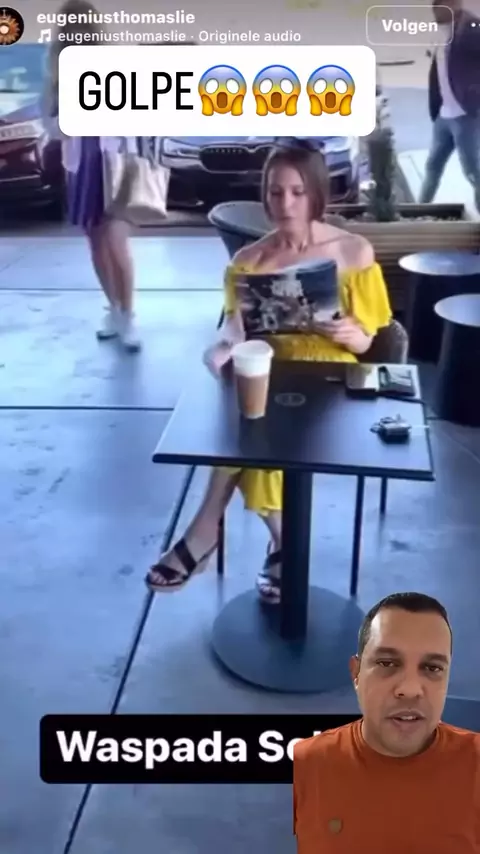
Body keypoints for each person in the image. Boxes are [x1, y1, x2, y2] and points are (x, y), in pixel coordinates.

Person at [145, 140, 393, 602]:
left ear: (317, 193)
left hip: (329, 373)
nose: (285, 204)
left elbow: (368, 341)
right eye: (276, 192)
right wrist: (221, 349)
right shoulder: (250, 260)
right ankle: (284, 546)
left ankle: (208, 533)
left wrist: (349, 332)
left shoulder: (353, 251)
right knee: (250, 424)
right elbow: (233, 330)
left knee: (251, 438)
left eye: (298, 192)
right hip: (268, 365)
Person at [293, 591, 480, 853]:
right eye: (387, 663)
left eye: (432, 668)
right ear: (356, 674)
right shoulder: (308, 762)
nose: (410, 689)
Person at [42, 0, 141, 351]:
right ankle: (114, 309)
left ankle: (128, 315)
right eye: (71, 27)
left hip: (116, 165)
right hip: (82, 168)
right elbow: (50, 125)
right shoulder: (56, 75)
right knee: (96, 243)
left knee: (115, 240)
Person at [419, 0, 480, 212]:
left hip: (465, 116)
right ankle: (418, 210)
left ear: (453, 5)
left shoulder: (472, 28)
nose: (434, 11)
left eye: (438, 6)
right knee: (432, 166)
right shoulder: (442, 32)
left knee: (473, 172)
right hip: (443, 116)